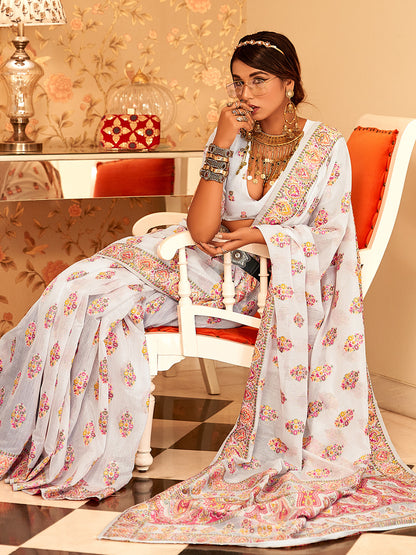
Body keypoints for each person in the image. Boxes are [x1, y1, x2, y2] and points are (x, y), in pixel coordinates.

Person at [1, 31, 416, 547]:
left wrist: (262, 236)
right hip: (196, 260)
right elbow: (200, 230)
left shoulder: (325, 148)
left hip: (251, 283)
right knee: (75, 291)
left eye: (259, 81)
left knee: (95, 301)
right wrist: (220, 144)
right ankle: (32, 433)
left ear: (289, 84)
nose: (246, 94)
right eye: (238, 82)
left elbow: (331, 236)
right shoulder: (235, 136)